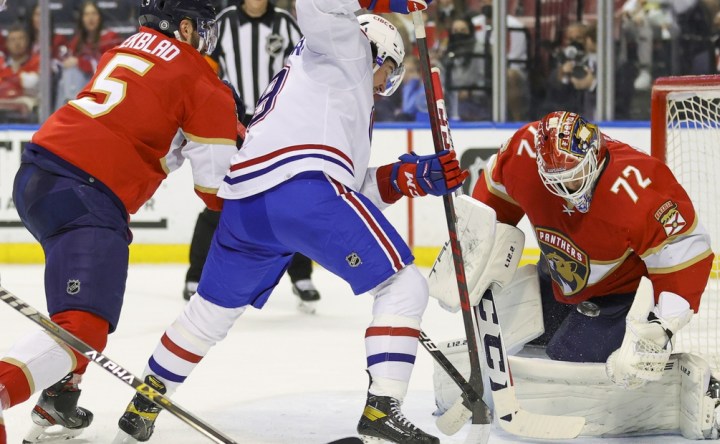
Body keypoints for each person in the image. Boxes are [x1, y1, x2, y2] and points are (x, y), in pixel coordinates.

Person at [114, 0, 468, 443]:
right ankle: (382, 410)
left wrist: (409, 177)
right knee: (403, 284)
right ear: (375, 48)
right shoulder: (350, 48)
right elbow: (316, 4)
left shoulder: (323, 85)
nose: (385, 84)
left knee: (209, 314)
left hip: (247, 204)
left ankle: (143, 402)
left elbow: (350, 187)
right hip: (300, 190)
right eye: (389, 70)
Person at [0, 0, 240, 442]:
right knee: (84, 326)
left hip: (37, 176)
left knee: (78, 305)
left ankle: (59, 398)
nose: (207, 38)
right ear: (185, 28)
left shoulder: (124, 47)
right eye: (203, 28)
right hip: (85, 193)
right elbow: (215, 194)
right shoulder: (203, 81)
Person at [430, 111, 720, 439]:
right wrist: (473, 250)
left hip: (620, 297)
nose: (565, 189)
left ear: (594, 154)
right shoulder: (523, 153)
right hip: (559, 279)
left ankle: (699, 386)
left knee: (571, 367)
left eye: (573, 177)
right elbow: (493, 201)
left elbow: (686, 253)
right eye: (555, 179)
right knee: (503, 329)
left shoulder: (637, 186)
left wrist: (660, 328)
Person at [182, 0, 321, 313]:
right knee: (224, 193)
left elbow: (306, 68)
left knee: (288, 198)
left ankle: (301, 276)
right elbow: (204, 67)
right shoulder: (224, 21)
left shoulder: (286, 23)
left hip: (280, 121)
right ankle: (196, 273)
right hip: (235, 121)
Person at [55, 0, 122, 106]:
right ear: (82, 19)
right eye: (86, 14)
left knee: (72, 73)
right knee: (64, 79)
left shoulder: (110, 37)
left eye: (94, 14)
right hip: (81, 84)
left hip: (102, 83)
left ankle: (70, 107)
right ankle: (67, 107)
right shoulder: (78, 40)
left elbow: (108, 67)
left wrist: (79, 62)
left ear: (100, 17)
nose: (90, 18)